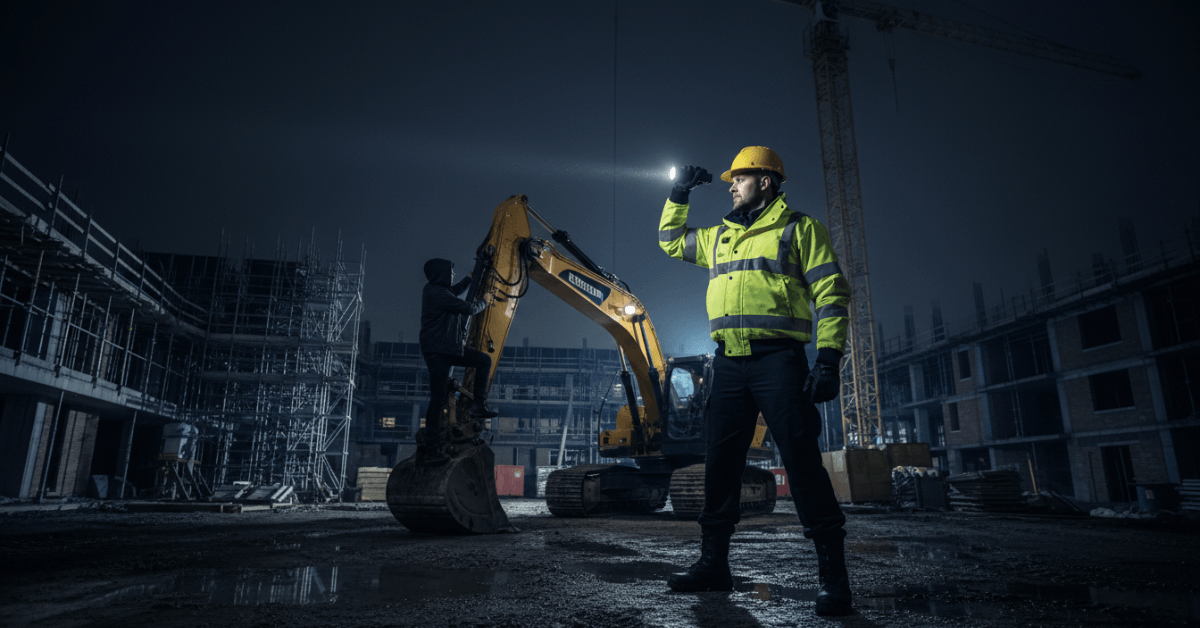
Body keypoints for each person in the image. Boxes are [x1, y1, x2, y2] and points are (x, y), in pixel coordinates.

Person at [657, 146, 853, 616]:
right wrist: (678, 192)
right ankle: (713, 565)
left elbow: (831, 292)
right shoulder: (720, 236)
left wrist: (828, 359)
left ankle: (834, 578)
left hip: (779, 361)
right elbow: (670, 240)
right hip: (727, 364)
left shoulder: (798, 229)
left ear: (766, 181)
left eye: (739, 178)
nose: (731, 185)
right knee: (720, 465)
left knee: (803, 462)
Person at [419, 258, 500, 464]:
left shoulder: (434, 291)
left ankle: (433, 449)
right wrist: (485, 300)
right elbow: (469, 308)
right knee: (483, 361)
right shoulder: (438, 293)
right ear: (441, 274)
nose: (452, 275)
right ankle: (478, 406)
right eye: (451, 272)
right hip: (443, 351)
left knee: (437, 400)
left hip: (439, 350)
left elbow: (454, 292)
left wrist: (469, 279)